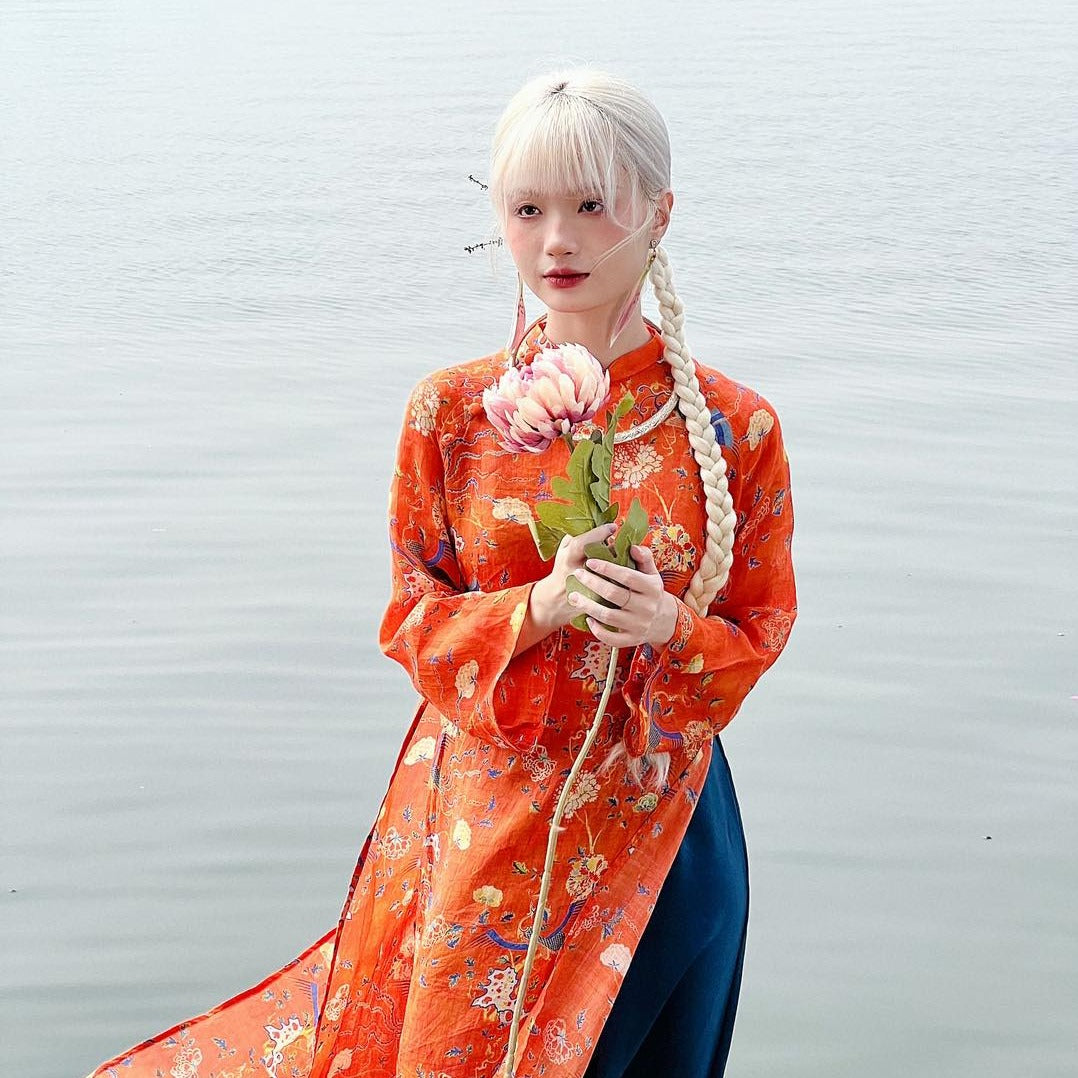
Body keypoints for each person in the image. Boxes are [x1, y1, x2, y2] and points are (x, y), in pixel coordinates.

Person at [85, 66, 796, 1078]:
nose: (557, 239)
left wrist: (667, 628)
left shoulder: (732, 427)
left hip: (666, 834)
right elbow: (411, 623)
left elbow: (760, 627)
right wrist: (540, 607)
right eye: (528, 208)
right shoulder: (453, 415)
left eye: (592, 205)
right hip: (485, 828)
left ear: (659, 214)